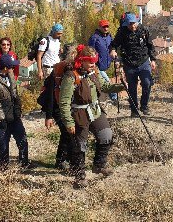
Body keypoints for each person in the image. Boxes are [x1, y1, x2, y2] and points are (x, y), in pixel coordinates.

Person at [59, 45, 124, 188]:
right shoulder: (71, 76)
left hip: (95, 111)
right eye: (90, 61)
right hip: (79, 114)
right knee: (80, 146)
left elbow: (105, 87)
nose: (93, 63)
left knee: (106, 135)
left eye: (94, 60)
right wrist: (69, 122)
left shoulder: (95, 72)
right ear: (81, 61)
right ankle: (79, 176)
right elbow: (63, 102)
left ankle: (99, 165)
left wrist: (121, 86)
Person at [0, 54, 33, 170]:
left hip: (14, 115)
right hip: (2, 118)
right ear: (5, 68)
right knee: (3, 143)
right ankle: (3, 167)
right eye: (12, 67)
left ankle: (24, 163)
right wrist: (1, 119)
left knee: (22, 138)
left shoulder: (10, 76)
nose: (14, 68)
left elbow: (15, 95)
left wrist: (18, 110)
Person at [110, 13, 157, 117]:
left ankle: (144, 106)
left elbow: (150, 46)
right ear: (126, 24)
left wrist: (153, 59)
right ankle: (134, 109)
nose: (132, 26)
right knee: (132, 87)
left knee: (147, 83)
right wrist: (113, 51)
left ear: (137, 22)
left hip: (144, 61)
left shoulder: (144, 30)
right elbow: (114, 45)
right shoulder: (122, 32)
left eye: (134, 23)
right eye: (130, 24)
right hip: (129, 63)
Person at [88, 19, 117, 102]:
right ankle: (114, 98)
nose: (106, 28)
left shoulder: (109, 36)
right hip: (97, 65)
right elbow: (90, 51)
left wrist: (113, 51)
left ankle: (100, 99)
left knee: (100, 83)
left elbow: (112, 46)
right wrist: (93, 63)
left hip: (106, 64)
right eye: (104, 27)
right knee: (107, 81)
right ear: (99, 27)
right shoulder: (94, 38)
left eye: (107, 26)